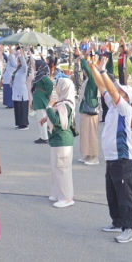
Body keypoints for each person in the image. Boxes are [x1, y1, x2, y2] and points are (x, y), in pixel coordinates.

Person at [89, 56, 132, 243]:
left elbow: (109, 87)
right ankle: (117, 222)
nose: (117, 92)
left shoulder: (125, 108)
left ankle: (130, 228)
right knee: (112, 193)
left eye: (121, 92)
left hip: (123, 158)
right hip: (111, 157)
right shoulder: (112, 105)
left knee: (125, 194)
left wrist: (103, 71)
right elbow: (102, 87)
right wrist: (92, 66)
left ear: (126, 97)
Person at [41, 78, 76, 208]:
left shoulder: (66, 104)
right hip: (57, 140)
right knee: (56, 167)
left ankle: (66, 197)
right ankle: (57, 193)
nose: (56, 87)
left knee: (62, 169)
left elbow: (57, 121)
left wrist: (49, 107)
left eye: (58, 85)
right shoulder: (62, 102)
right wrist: (47, 116)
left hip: (62, 140)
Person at [77, 49, 100, 165]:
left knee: (91, 134)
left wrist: (82, 58)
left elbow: (88, 70)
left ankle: (94, 157)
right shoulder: (89, 79)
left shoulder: (94, 78)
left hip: (90, 109)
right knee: (85, 133)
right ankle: (87, 154)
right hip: (85, 108)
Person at [32, 60, 53, 144]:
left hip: (41, 100)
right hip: (39, 99)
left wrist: (48, 94)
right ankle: (44, 136)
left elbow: (50, 85)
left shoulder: (42, 76)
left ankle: (44, 137)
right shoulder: (39, 75)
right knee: (41, 118)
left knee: (42, 119)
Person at [11, 47, 30, 130]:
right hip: (16, 91)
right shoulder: (17, 69)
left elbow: (24, 63)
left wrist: (22, 52)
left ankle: (24, 124)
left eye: (19, 60)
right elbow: (12, 61)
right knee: (17, 108)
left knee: (22, 108)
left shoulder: (23, 69)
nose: (17, 61)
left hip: (22, 92)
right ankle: (19, 123)